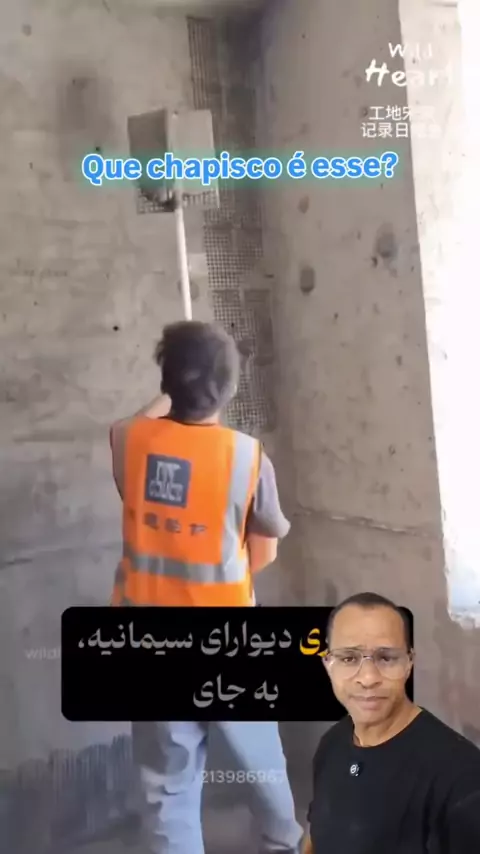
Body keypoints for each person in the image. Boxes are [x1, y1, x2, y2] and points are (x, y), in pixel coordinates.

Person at [109, 320, 303, 854]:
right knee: (261, 761)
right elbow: (265, 551)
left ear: (166, 381)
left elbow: (132, 422)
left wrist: (172, 387)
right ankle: (282, 843)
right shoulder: (247, 456)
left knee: (167, 785)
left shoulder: (131, 441)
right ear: (232, 387)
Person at [305, 591, 480, 854]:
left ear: (409, 663)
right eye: (349, 658)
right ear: (328, 664)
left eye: (386, 658)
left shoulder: (461, 775)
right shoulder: (331, 744)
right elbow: (316, 837)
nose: (367, 678)